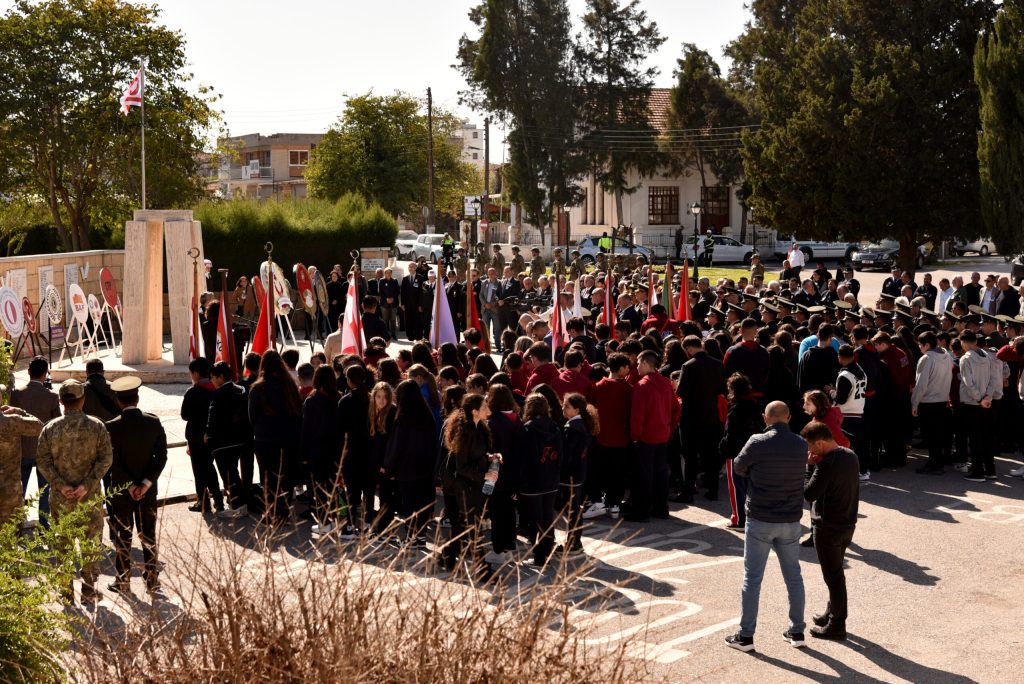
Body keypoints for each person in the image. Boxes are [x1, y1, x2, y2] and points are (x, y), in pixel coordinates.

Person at [726, 401, 807, 652]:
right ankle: (796, 631)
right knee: (794, 576)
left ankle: (746, 635)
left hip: (761, 516)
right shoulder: (800, 443)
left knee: (752, 578)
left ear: (765, 418)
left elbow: (739, 466)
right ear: (789, 417)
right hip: (791, 518)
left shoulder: (757, 442)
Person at [36, 380, 113, 603]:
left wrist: (60, 484)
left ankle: (66, 591)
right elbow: (106, 458)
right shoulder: (96, 426)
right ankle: (89, 590)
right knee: (90, 542)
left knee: (63, 542)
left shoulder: (50, 428)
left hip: (61, 498)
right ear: (82, 400)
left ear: (61, 402)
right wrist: (87, 484)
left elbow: (42, 461)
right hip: (88, 497)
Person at [105, 376, 168, 595]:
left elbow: (112, 461)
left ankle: (123, 581)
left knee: (123, 535)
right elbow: (161, 457)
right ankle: (152, 579)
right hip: (148, 491)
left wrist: (130, 485)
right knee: (148, 534)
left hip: (122, 492)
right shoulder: (153, 422)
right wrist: (146, 483)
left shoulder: (111, 427)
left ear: (119, 401)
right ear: (137, 398)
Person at [801, 420, 861, 641]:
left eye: (811, 446)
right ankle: (832, 612)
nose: (809, 451)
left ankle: (837, 624)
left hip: (827, 527)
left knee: (834, 577)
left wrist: (809, 468)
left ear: (820, 442)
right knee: (835, 575)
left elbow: (808, 494)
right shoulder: (850, 455)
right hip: (847, 524)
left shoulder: (826, 465)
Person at [248, 350, 303, 524]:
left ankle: (272, 512)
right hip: (289, 438)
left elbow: (252, 416)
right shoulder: (290, 385)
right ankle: (283, 512)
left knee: (268, 477)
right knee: (285, 476)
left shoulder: (258, 388)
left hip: (266, 439)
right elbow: (298, 413)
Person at [383, 379, 440, 545]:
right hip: (425, 467)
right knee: (422, 503)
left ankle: (411, 537)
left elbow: (396, 447)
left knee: (409, 504)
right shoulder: (427, 415)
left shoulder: (402, 419)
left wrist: (390, 469)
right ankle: (420, 536)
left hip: (406, 470)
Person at [626, 350, 680, 521]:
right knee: (660, 473)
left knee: (644, 475)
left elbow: (637, 415)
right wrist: (669, 429)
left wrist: (635, 435)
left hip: (646, 436)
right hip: (662, 435)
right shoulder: (665, 382)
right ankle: (660, 508)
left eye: (639, 364)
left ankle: (641, 511)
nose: (637, 367)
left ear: (645, 364)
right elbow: (676, 409)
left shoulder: (641, 386)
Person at [583, 353, 632, 520]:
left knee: (597, 471)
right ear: (620, 368)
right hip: (621, 438)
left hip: (600, 437)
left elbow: (589, 411)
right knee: (617, 473)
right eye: (627, 367)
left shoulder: (597, 387)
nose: (629, 370)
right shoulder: (628, 389)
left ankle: (597, 502)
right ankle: (615, 504)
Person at [11, 356, 60, 521]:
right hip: (44, 451)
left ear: (28, 371)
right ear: (45, 374)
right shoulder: (52, 397)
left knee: (20, 491)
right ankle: (44, 527)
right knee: (45, 491)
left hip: (22, 449)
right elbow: (56, 424)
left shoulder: (17, 394)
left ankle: (16, 525)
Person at [516, 393, 563, 566]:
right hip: (551, 479)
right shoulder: (555, 427)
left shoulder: (527, 429)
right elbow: (560, 456)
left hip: (532, 482)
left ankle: (539, 556)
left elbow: (522, 459)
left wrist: (518, 481)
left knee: (535, 520)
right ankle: (547, 551)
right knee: (547, 516)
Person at [677, 335, 725, 502]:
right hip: (711, 416)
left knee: (690, 457)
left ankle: (688, 491)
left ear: (689, 348)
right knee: (710, 455)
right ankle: (713, 490)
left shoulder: (688, 366)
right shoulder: (717, 364)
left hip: (691, 417)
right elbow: (722, 388)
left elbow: (681, 392)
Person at [206, 361, 252, 516]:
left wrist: (208, 434)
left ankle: (238, 506)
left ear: (220, 377)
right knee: (233, 471)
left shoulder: (218, 394)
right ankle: (239, 503)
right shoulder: (241, 390)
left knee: (228, 474)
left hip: (222, 441)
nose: (211, 380)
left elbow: (213, 417)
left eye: (213, 377)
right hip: (240, 438)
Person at [720, 373, 765, 530]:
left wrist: (723, 448)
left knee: (736, 487)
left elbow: (730, 433)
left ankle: (739, 519)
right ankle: (752, 516)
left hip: (736, 451)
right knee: (751, 486)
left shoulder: (736, 408)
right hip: (753, 451)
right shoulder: (754, 405)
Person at [484, 386, 522, 566]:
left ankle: (499, 549)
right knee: (508, 512)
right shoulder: (517, 419)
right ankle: (508, 547)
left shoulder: (494, 422)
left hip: (496, 474)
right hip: (514, 473)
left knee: (497, 514)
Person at [559, 393, 598, 555]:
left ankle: (574, 543)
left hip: (570, 474)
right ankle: (575, 541)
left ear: (577, 409)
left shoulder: (573, 428)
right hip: (578, 473)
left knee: (572, 509)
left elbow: (567, 455)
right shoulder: (582, 425)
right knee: (575, 508)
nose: (563, 408)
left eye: (567, 406)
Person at [181, 357, 222, 513]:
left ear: (196, 373)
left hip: (196, 436)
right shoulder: (216, 389)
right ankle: (218, 500)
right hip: (212, 435)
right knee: (210, 467)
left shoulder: (193, 392)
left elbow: (184, 415)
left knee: (199, 470)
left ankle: (203, 501)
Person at [338, 365, 375, 532]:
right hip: (369, 450)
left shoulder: (346, 401)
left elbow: (339, 429)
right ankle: (367, 523)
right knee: (368, 490)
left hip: (351, 451)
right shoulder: (371, 399)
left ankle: (351, 525)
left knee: (352, 491)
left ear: (349, 380)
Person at [0, 401, 44, 527]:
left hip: (10, 490)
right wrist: (19, 411)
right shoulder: (13, 421)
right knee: (10, 533)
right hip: (9, 491)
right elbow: (39, 426)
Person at [369, 382, 398, 533]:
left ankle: (384, 530)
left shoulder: (391, 413)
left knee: (386, 499)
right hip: (378, 464)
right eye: (378, 396)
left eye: (385, 397)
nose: (381, 400)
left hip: (386, 465)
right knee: (383, 497)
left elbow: (391, 444)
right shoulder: (375, 412)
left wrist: (385, 465)